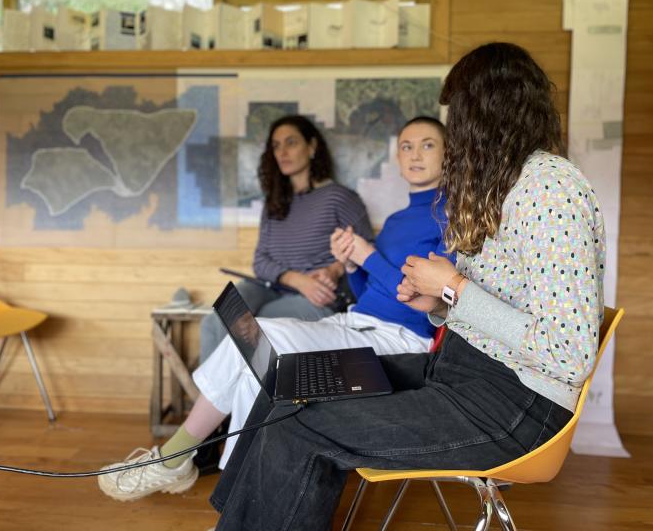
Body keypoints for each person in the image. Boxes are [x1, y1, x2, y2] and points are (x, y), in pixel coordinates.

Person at [205, 43, 607, 531]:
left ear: (487, 113)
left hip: (513, 405)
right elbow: (498, 308)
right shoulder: (509, 185)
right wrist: (440, 303)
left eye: (458, 115)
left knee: (301, 426)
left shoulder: (550, 189)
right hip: (460, 373)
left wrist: (456, 287)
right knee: (288, 387)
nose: (455, 131)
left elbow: (568, 350)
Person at [98, 116, 451, 502]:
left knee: (260, 345)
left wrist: (365, 255)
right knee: (254, 350)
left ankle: (182, 465)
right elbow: (370, 292)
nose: (415, 154)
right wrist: (352, 266)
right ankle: (218, 489)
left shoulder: (450, 215)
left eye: (428, 145)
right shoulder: (399, 219)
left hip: (403, 343)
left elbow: (423, 299)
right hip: (358, 323)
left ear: (448, 153)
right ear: (397, 156)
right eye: (406, 146)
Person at [198, 114, 372, 363]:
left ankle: (247, 402)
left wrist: (333, 270)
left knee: (255, 328)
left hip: (316, 296)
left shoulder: (340, 197)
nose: (283, 152)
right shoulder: (275, 203)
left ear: (311, 147)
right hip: (270, 288)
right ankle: (214, 402)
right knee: (213, 323)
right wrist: (297, 279)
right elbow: (260, 261)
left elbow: (367, 249)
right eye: (276, 146)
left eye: (291, 142)